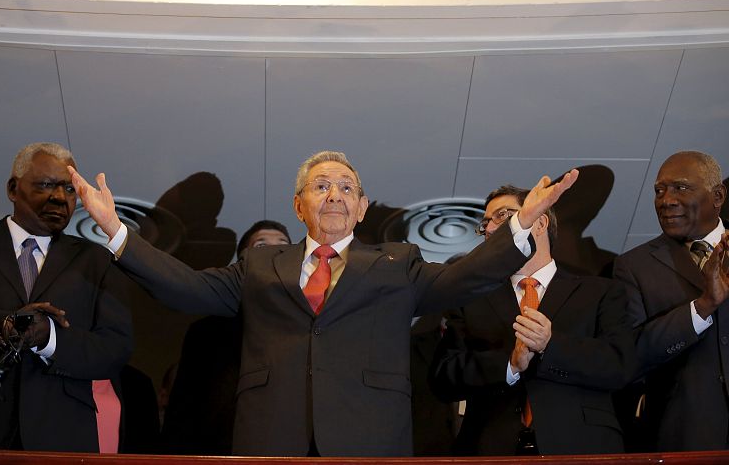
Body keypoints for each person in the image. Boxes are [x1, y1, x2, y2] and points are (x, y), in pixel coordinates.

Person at [69, 150, 578, 456]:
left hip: (368, 444)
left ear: (361, 207)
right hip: (271, 442)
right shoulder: (261, 266)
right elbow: (184, 286)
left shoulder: (397, 262)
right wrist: (116, 232)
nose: (333, 194)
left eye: (346, 187)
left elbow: (463, 277)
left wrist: (518, 228)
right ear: (299, 205)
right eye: (320, 185)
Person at [0, 143, 133, 452]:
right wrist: (1, 324)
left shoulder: (97, 262)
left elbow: (115, 349)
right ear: (13, 188)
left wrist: (49, 337)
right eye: (46, 185)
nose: (59, 197)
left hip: (65, 437)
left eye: (69, 189)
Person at [429, 184, 634, 455]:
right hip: (490, 450)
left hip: (581, 449)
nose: (490, 229)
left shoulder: (601, 292)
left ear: (539, 222)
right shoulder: (469, 298)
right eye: (485, 223)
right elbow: (443, 378)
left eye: (503, 216)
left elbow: (620, 366)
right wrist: (509, 365)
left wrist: (552, 345)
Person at [613, 150, 729, 451]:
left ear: (717, 196)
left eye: (681, 187)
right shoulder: (634, 266)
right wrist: (702, 307)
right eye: (659, 191)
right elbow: (631, 356)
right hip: (683, 437)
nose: (666, 200)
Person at [162, 220, 291, 455]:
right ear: (243, 261)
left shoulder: (310, 326)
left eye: (283, 245)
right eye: (261, 245)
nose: (274, 251)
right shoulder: (207, 332)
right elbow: (183, 409)